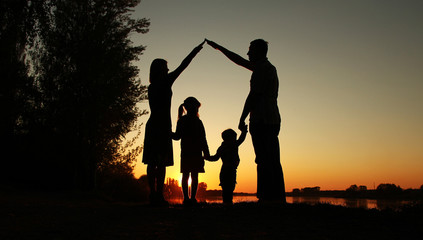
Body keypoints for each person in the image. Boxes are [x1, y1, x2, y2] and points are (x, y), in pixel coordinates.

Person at [206, 39, 286, 203]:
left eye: (250, 50)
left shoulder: (261, 70)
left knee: (264, 158)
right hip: (271, 118)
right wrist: (219, 47)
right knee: (271, 158)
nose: (248, 53)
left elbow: (254, 96)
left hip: (262, 119)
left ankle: (267, 197)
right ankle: (274, 196)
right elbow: (239, 61)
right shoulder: (266, 68)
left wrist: (242, 117)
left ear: (259, 51)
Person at [142, 41, 204, 206]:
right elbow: (183, 65)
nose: (168, 70)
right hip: (161, 126)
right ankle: (159, 196)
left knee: (152, 162)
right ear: (160, 70)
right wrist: (195, 51)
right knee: (160, 163)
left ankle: (154, 195)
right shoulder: (165, 82)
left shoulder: (152, 86)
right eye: (166, 67)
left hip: (153, 124)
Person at [172, 97, 210, 205]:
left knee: (186, 175)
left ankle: (188, 199)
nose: (197, 110)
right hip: (194, 152)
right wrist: (206, 152)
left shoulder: (183, 121)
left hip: (187, 152)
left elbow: (176, 136)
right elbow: (203, 139)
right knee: (193, 175)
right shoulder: (197, 122)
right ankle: (191, 198)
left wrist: (169, 133)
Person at [206, 125, 248, 205]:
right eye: (234, 138)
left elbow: (215, 158)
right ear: (229, 138)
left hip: (226, 170)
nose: (235, 139)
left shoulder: (222, 147)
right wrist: (244, 132)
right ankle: (228, 202)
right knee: (229, 187)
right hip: (229, 170)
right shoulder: (232, 145)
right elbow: (241, 139)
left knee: (227, 188)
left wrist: (207, 158)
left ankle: (227, 202)